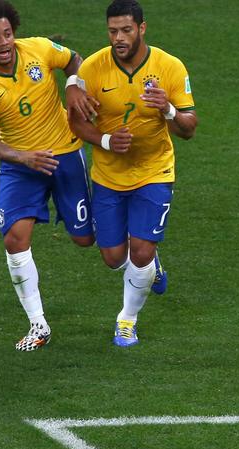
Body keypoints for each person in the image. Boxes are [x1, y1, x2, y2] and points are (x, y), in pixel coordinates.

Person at [0, 0, 98, 351]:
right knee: (14, 240)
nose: (4, 43)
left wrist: (73, 85)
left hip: (65, 154)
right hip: (21, 166)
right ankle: (39, 325)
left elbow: (74, 60)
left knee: (86, 240)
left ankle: (144, 256)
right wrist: (24, 157)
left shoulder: (37, 48)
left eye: (7, 34)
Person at [68, 0, 197, 348]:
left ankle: (127, 320)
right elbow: (76, 121)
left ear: (142, 28)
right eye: (113, 31)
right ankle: (150, 265)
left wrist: (167, 108)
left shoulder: (169, 67)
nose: (119, 38)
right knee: (113, 258)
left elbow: (189, 129)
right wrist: (106, 140)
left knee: (139, 251)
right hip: (108, 175)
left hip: (155, 170)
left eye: (126, 30)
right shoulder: (94, 69)